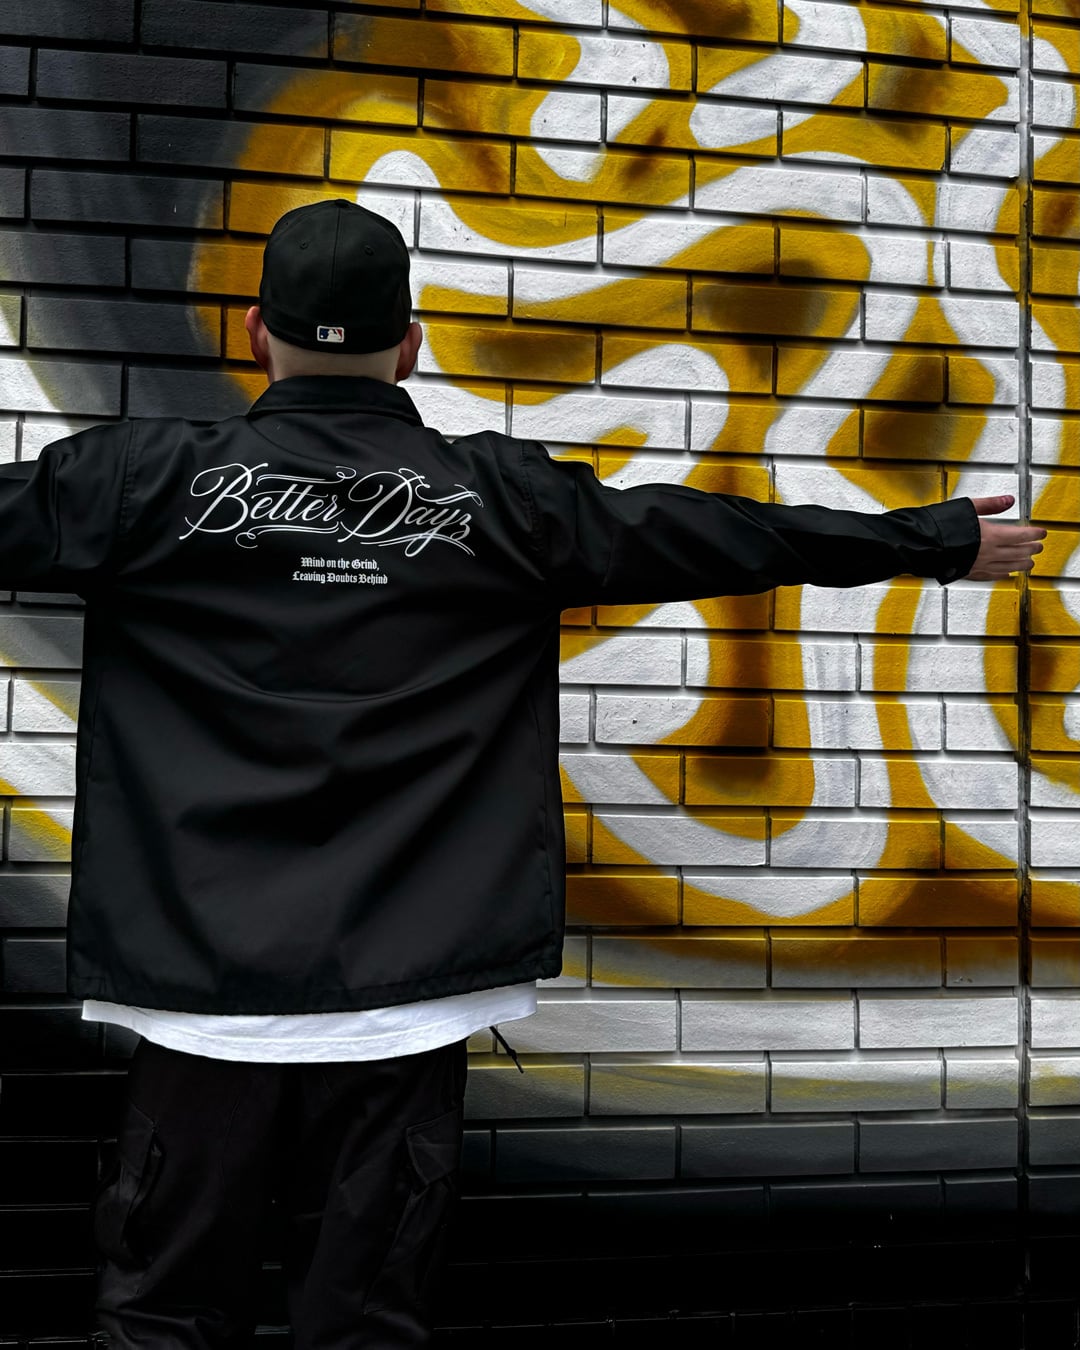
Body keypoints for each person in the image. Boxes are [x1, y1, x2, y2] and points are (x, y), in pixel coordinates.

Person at [1, 199, 1044, 1349]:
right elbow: (723, 534)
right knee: (363, 1330)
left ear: (255, 332)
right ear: (410, 344)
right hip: (410, 1003)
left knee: (163, 1321)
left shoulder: (137, 484)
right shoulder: (504, 502)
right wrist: (930, 539)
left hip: (202, 1002)